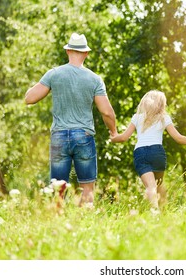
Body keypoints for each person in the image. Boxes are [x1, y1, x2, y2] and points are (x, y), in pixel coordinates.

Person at [25, 32, 117, 207]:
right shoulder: (95, 79)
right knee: (88, 188)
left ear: (68, 51)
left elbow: (29, 98)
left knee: (58, 188)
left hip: (59, 136)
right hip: (84, 136)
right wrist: (113, 131)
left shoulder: (54, 74)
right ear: (86, 53)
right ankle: (85, 225)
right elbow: (106, 112)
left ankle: (58, 224)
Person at [111, 90, 186, 209]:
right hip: (157, 153)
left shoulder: (137, 117)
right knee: (158, 185)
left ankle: (155, 213)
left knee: (150, 187)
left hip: (140, 153)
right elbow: (178, 138)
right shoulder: (164, 118)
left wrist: (114, 138)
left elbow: (123, 138)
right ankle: (162, 210)